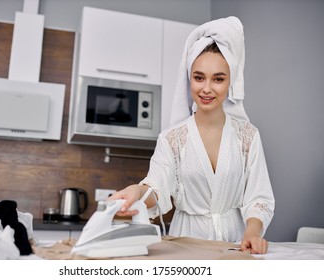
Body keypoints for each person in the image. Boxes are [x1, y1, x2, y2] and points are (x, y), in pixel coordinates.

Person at [109, 16, 275, 254]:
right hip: (185, 244)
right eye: (199, 77)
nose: (206, 88)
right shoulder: (172, 138)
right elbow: (157, 189)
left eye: (218, 79)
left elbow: (259, 197)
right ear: (189, 79)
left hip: (236, 243)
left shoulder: (248, 136)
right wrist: (137, 191)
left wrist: (252, 232)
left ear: (231, 81)